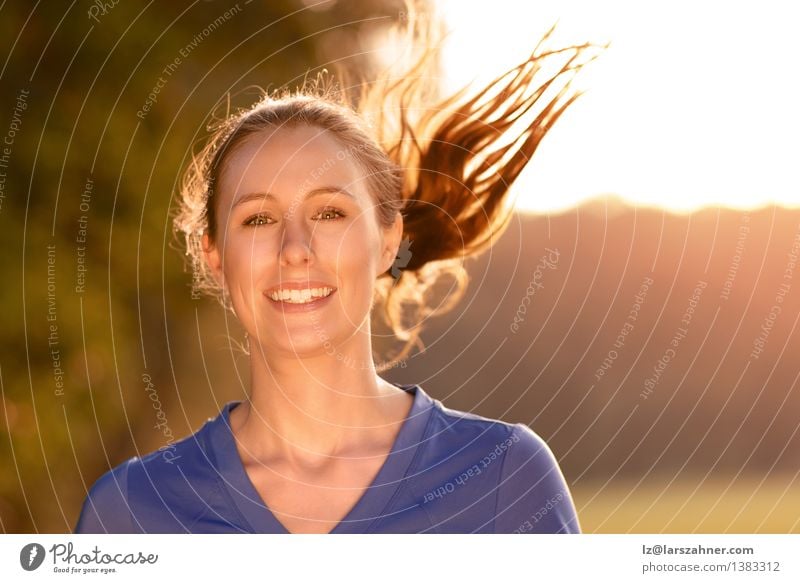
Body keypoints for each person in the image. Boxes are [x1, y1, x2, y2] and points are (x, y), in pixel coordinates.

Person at [75, 1, 596, 534]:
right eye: (258, 219)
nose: (295, 248)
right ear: (214, 253)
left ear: (388, 240)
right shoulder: (130, 512)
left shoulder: (505, 478)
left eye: (329, 213)